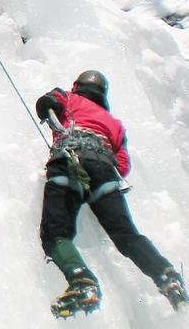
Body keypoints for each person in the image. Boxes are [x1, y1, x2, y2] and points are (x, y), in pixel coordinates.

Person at [36, 70, 188, 317]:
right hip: (104, 172)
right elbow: (123, 165)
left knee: (54, 233)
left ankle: (82, 281)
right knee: (126, 235)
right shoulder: (115, 124)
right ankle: (167, 275)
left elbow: (48, 102)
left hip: (69, 162)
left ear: (77, 86)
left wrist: (49, 109)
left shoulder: (69, 98)